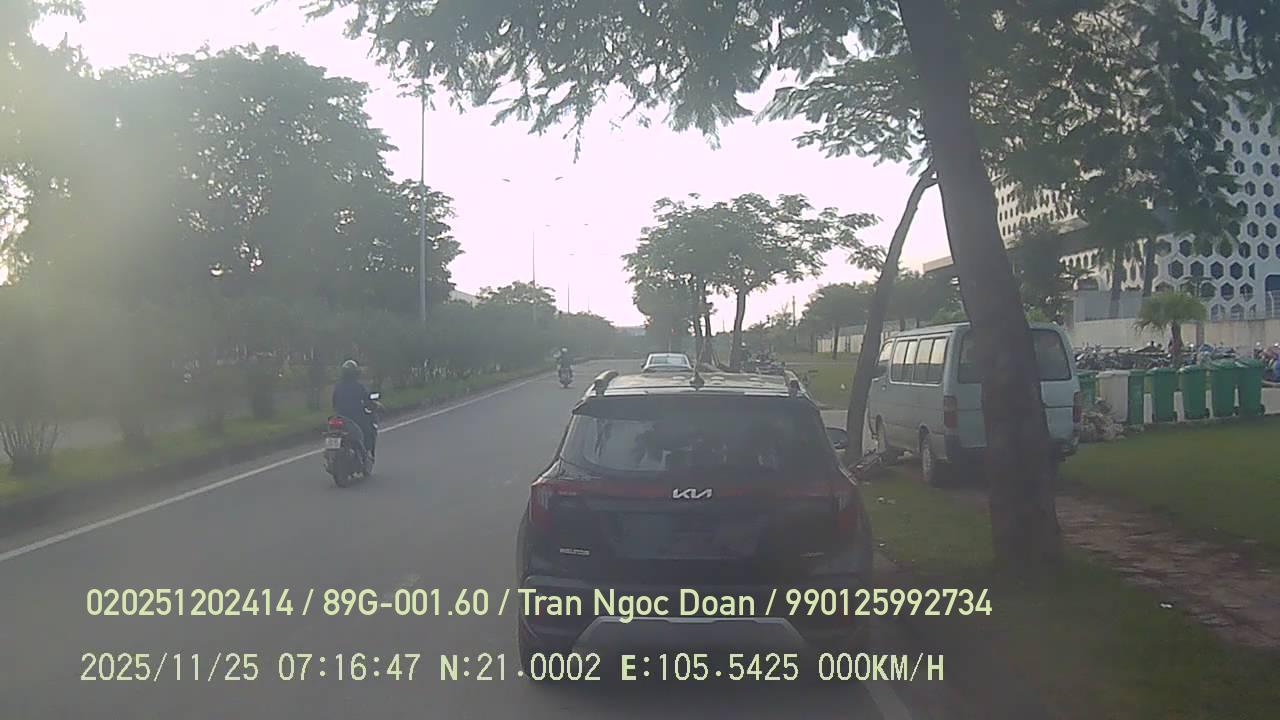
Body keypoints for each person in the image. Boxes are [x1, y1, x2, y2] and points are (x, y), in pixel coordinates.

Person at [332, 359, 378, 463]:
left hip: (340, 417)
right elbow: (368, 402)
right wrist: (375, 405)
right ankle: (366, 454)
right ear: (355, 374)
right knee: (368, 430)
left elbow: (334, 403)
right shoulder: (359, 387)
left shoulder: (338, 387)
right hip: (356, 418)